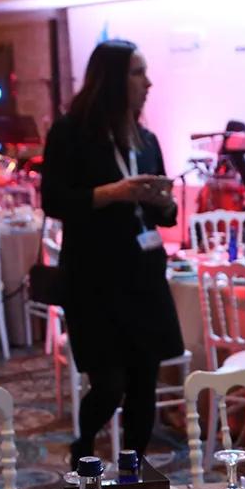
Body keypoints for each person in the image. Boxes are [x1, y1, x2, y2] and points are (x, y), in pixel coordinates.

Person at [41, 39, 182, 461]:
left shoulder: (146, 140)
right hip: (93, 278)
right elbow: (54, 201)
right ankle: (83, 448)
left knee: (144, 383)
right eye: (138, 73)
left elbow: (165, 217)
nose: (148, 83)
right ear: (111, 80)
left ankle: (133, 472)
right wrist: (115, 192)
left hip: (143, 276)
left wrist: (163, 202)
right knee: (109, 385)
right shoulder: (70, 133)